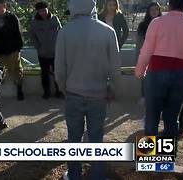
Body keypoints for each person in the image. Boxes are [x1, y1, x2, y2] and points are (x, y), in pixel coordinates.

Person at [55, 0, 121, 179]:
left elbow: (59, 69)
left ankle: (75, 175)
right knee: (96, 137)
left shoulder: (64, 32)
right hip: (99, 93)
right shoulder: (108, 31)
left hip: (73, 93)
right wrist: (112, 89)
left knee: (74, 138)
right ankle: (98, 175)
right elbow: (115, 68)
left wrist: (64, 89)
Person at [135, 0, 183, 138]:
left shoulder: (156, 23)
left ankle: (149, 155)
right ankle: (166, 157)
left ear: (169, 4)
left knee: (152, 117)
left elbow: (146, 50)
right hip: (181, 75)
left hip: (157, 72)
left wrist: (140, 70)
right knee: (171, 118)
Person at [0, 0, 25, 101]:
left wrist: (18, 48)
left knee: (16, 69)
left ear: (5, 6)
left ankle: (19, 89)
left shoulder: (12, 18)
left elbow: (18, 34)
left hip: (12, 49)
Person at [30, 1, 63, 99]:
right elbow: (32, 36)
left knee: (58, 73)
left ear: (47, 9)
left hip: (55, 52)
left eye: (44, 10)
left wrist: (60, 46)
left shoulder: (54, 19)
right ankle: (46, 92)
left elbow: (61, 32)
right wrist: (38, 47)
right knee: (44, 74)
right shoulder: (34, 22)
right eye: (40, 11)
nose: (43, 13)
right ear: (37, 12)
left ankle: (59, 91)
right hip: (42, 53)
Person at [136, 2, 162, 104]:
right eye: (152, 9)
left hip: (160, 55)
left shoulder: (163, 23)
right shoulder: (143, 25)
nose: (154, 11)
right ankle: (144, 96)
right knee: (145, 76)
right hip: (147, 54)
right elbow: (139, 41)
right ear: (148, 11)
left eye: (156, 9)